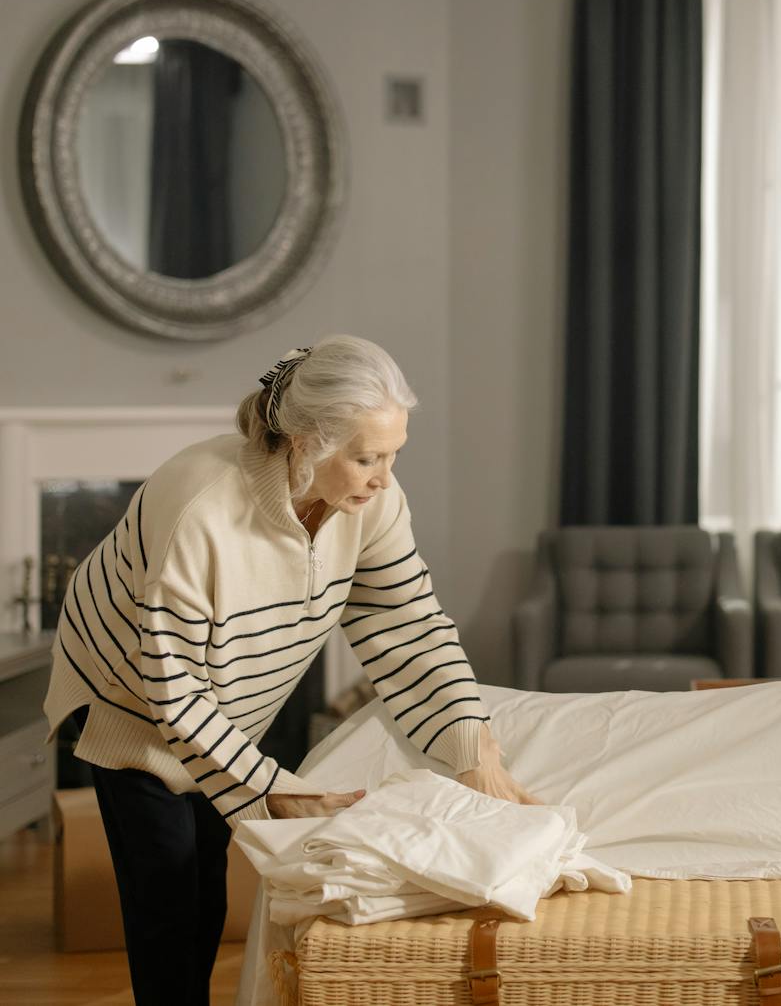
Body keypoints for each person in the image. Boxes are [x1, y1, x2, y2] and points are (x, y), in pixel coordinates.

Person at [40, 335, 535, 1006]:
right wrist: (274, 786)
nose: (385, 476)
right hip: (128, 695)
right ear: (305, 441)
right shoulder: (200, 508)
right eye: (367, 457)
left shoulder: (373, 502)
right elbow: (174, 692)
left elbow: (409, 624)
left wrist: (470, 743)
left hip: (223, 700)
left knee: (208, 876)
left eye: (393, 454)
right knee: (167, 888)